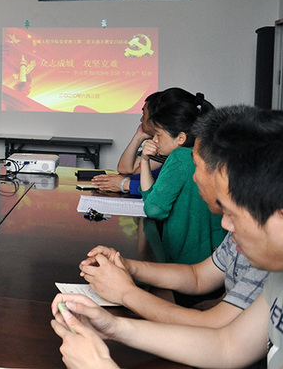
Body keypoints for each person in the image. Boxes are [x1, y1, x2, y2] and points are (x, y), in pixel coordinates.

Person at [51, 106, 283, 369]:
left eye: (233, 214)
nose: (225, 225)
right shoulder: (278, 277)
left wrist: (99, 365)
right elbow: (226, 345)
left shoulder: (270, 265)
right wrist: (114, 327)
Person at [79, 105, 269, 328]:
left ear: (222, 171)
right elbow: (197, 276)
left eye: (196, 165)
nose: (194, 177)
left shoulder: (264, 249)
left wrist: (125, 293)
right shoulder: (243, 226)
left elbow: (218, 334)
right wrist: (126, 266)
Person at [139, 91, 224, 264]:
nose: (154, 140)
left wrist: (144, 160)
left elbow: (153, 209)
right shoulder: (207, 153)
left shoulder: (179, 157)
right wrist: (145, 160)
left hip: (185, 261)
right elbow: (153, 200)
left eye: (158, 134)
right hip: (215, 257)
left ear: (180, 138)